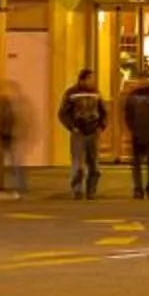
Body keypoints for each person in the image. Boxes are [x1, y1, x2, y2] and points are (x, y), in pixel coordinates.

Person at [59, 68, 107, 199]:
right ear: (82, 79)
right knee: (78, 164)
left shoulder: (96, 94)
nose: (93, 81)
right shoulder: (71, 94)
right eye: (90, 79)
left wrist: (101, 126)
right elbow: (63, 113)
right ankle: (77, 190)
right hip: (78, 132)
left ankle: (91, 190)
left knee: (94, 165)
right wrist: (72, 126)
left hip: (93, 132)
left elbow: (103, 111)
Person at [120, 68, 149, 199]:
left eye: (144, 79)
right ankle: (138, 188)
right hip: (136, 132)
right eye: (140, 79)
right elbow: (126, 114)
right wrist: (127, 131)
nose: (142, 81)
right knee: (136, 164)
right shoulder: (132, 96)